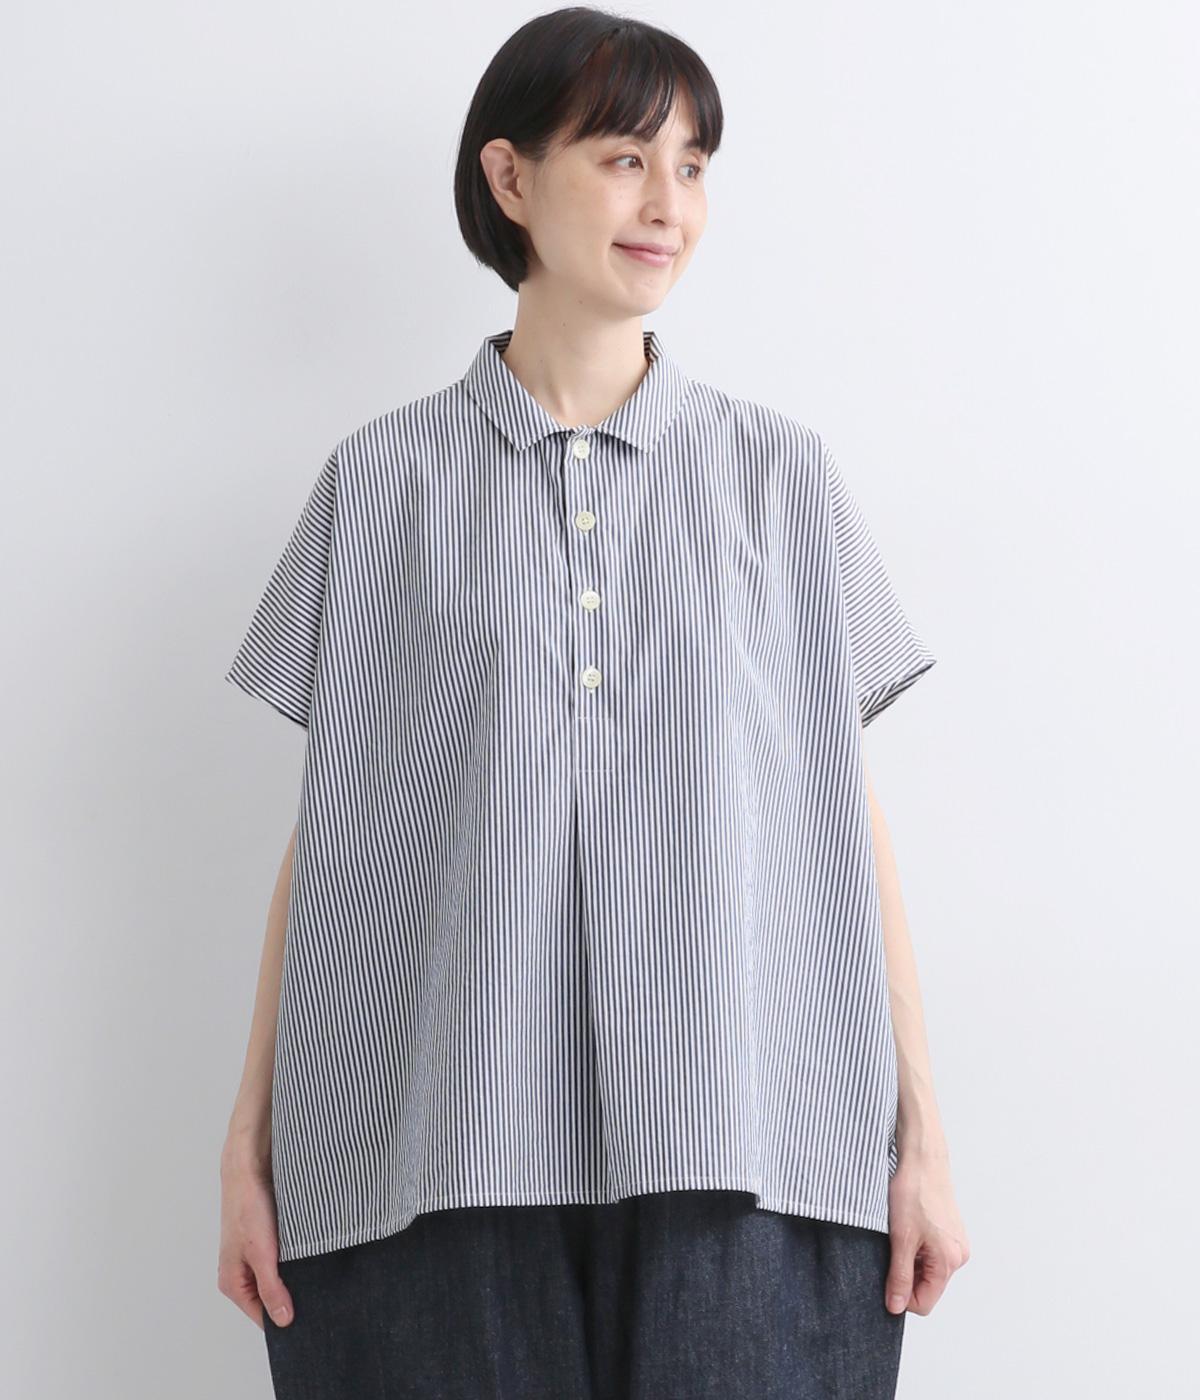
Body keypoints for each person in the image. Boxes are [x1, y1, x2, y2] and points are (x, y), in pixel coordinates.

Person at [217, 7, 970, 1397]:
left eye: (693, 166)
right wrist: (247, 1146)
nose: (668, 204)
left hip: (748, 1140)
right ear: (511, 178)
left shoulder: (779, 479)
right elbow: (331, 837)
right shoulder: (379, 484)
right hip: (429, 1150)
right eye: (626, 159)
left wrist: (922, 1137)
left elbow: (840, 816)